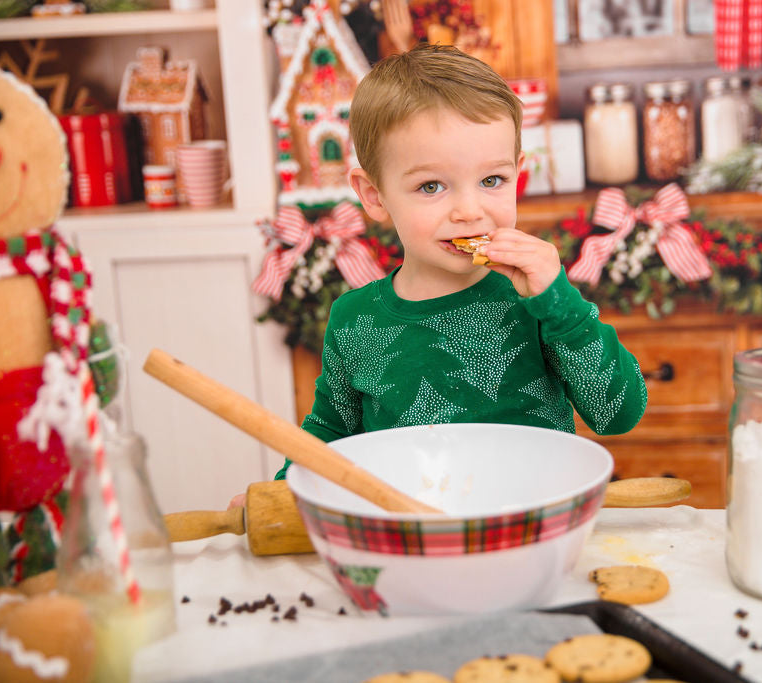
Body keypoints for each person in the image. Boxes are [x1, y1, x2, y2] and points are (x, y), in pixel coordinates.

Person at [271, 43, 648, 483]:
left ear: (517, 174)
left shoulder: (537, 299)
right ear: (374, 195)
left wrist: (560, 304)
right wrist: (278, 497)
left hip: (532, 530)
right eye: (431, 186)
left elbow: (618, 414)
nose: (470, 211)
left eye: (492, 180)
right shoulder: (354, 321)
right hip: (417, 540)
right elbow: (328, 435)